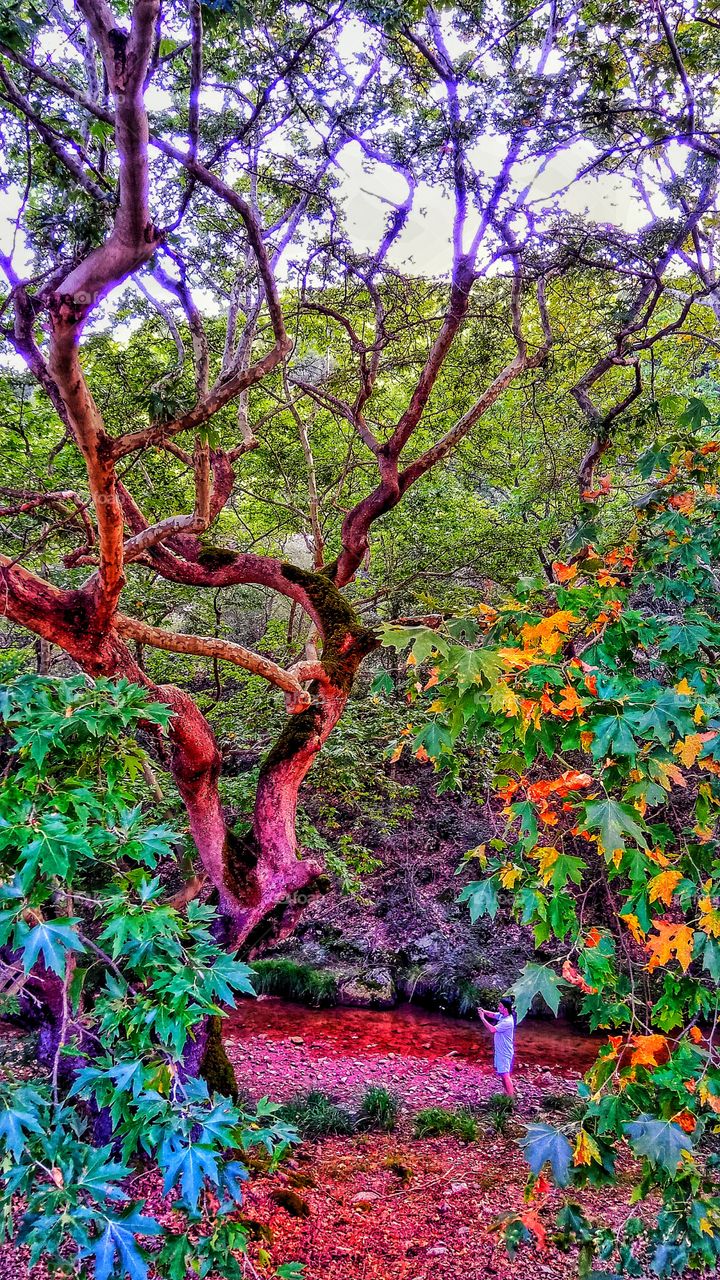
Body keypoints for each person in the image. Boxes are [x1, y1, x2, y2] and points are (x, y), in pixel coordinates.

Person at [478, 995, 516, 1098]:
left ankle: (510, 1097)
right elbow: (494, 1015)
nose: (498, 1009)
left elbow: (492, 1029)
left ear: (505, 1008)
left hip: (505, 1051)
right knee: (502, 1073)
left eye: (500, 1007)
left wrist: (482, 1018)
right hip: (500, 1050)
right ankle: (506, 1093)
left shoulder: (507, 1022)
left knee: (505, 1074)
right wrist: (484, 1011)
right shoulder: (503, 1016)